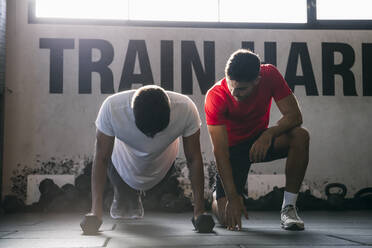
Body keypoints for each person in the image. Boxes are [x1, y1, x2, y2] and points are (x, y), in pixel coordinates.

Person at [205, 49, 309, 231]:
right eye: (231, 85)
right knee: (225, 218)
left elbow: (295, 116)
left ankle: (289, 208)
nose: (234, 92)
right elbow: (220, 151)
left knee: (300, 136)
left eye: (242, 89)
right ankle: (220, 195)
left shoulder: (269, 74)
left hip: (259, 142)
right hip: (232, 152)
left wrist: (268, 134)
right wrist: (231, 197)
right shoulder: (215, 96)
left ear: (257, 80)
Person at [89, 85, 206, 224]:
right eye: (146, 132)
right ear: (132, 113)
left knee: (163, 199)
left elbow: (193, 158)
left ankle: (138, 193)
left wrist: (199, 211)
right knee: (126, 203)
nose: (151, 137)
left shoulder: (186, 108)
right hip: (121, 165)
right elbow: (101, 157)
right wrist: (95, 212)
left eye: (157, 132)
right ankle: (124, 192)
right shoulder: (112, 108)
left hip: (163, 167)